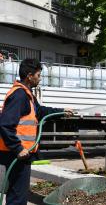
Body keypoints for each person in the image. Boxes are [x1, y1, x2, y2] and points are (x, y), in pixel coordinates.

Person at [0, 59, 73, 205]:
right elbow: (5, 125)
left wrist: (61, 112)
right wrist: (18, 148)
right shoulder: (19, 95)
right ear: (29, 75)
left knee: (17, 192)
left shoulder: (27, 95)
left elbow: (40, 111)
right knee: (18, 196)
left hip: (20, 153)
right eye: (38, 75)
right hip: (16, 153)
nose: (40, 79)